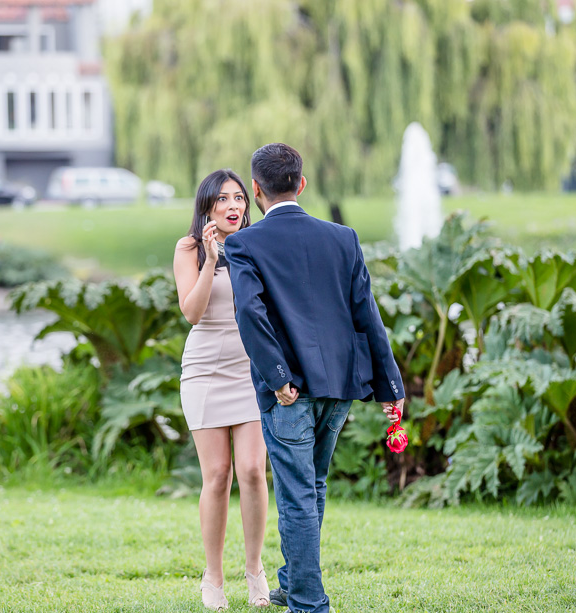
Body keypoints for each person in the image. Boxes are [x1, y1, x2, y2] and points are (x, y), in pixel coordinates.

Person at [225, 143, 406, 613]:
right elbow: (368, 316)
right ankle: (292, 581)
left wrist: (278, 377)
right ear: (302, 185)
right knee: (313, 485)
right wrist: (391, 388)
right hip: (341, 385)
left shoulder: (244, 243)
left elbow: (249, 312)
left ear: (257, 190)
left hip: (289, 393)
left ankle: (307, 601)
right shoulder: (342, 237)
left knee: (299, 492)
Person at [174, 169, 271, 611]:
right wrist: (212, 260)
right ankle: (213, 577)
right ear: (207, 206)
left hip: (251, 371)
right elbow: (191, 313)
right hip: (205, 372)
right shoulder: (190, 248)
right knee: (217, 477)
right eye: (224, 199)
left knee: (252, 470)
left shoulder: (258, 243)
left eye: (239, 198)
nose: (235, 206)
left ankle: (255, 571)